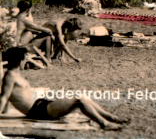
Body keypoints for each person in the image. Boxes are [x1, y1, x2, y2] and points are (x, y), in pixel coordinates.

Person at [0, 47, 128, 130]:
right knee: (79, 100)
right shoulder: (10, 76)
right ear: (20, 60)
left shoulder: (15, 74)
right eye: (25, 59)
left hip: (41, 105)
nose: (26, 62)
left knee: (82, 97)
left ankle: (111, 117)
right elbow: (4, 97)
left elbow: (8, 95)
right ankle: (104, 123)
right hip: (38, 111)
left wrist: (5, 111)